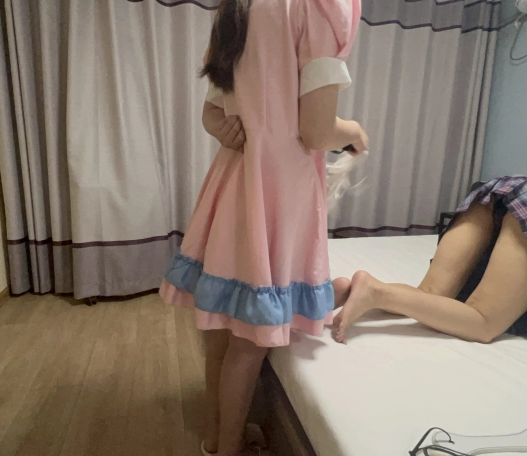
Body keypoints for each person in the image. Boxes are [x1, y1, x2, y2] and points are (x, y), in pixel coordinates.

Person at [159, 1, 366, 455]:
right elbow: (316, 131)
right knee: (251, 340)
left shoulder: (240, 7)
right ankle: (230, 447)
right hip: (277, 192)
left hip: (234, 184)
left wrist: (226, 130)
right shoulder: (319, 7)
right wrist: (353, 131)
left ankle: (216, 436)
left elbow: (212, 112)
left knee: (221, 330)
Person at [332, 176, 527, 349]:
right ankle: (376, 291)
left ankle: (356, 291)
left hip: (500, 189)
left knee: (430, 293)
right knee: (483, 322)